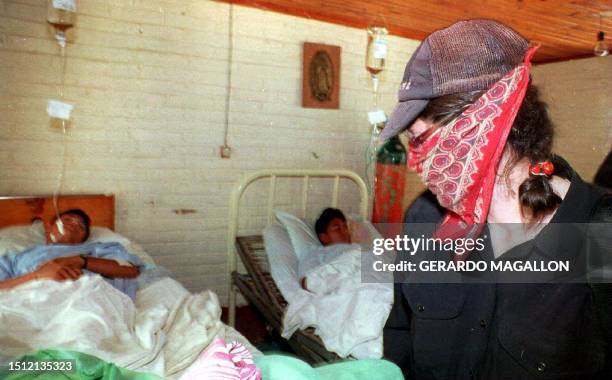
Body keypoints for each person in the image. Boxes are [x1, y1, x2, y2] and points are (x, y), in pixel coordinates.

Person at [381, 20, 611, 379]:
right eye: (413, 143)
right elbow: (399, 340)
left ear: (485, 121)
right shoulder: (424, 218)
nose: (418, 165)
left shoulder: (600, 232)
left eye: (426, 142)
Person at [0, 209, 141, 294]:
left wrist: (80, 261)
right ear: (49, 228)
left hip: (86, 298)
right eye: (67, 220)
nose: (73, 224)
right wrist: (37, 276)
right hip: (28, 300)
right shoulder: (18, 257)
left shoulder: (97, 248)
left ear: (83, 238)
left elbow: (130, 270)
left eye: (80, 226)